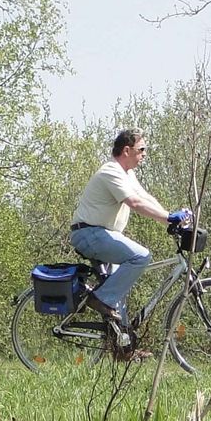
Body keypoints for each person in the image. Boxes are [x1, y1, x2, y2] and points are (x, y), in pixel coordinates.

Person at [69, 128, 189, 356]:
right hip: (89, 233)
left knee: (119, 292)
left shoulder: (127, 174)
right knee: (141, 256)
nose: (144, 154)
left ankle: (122, 349)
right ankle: (100, 298)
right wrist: (166, 218)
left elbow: (145, 197)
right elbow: (133, 202)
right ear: (127, 150)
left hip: (104, 235)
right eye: (141, 149)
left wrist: (171, 218)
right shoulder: (111, 172)